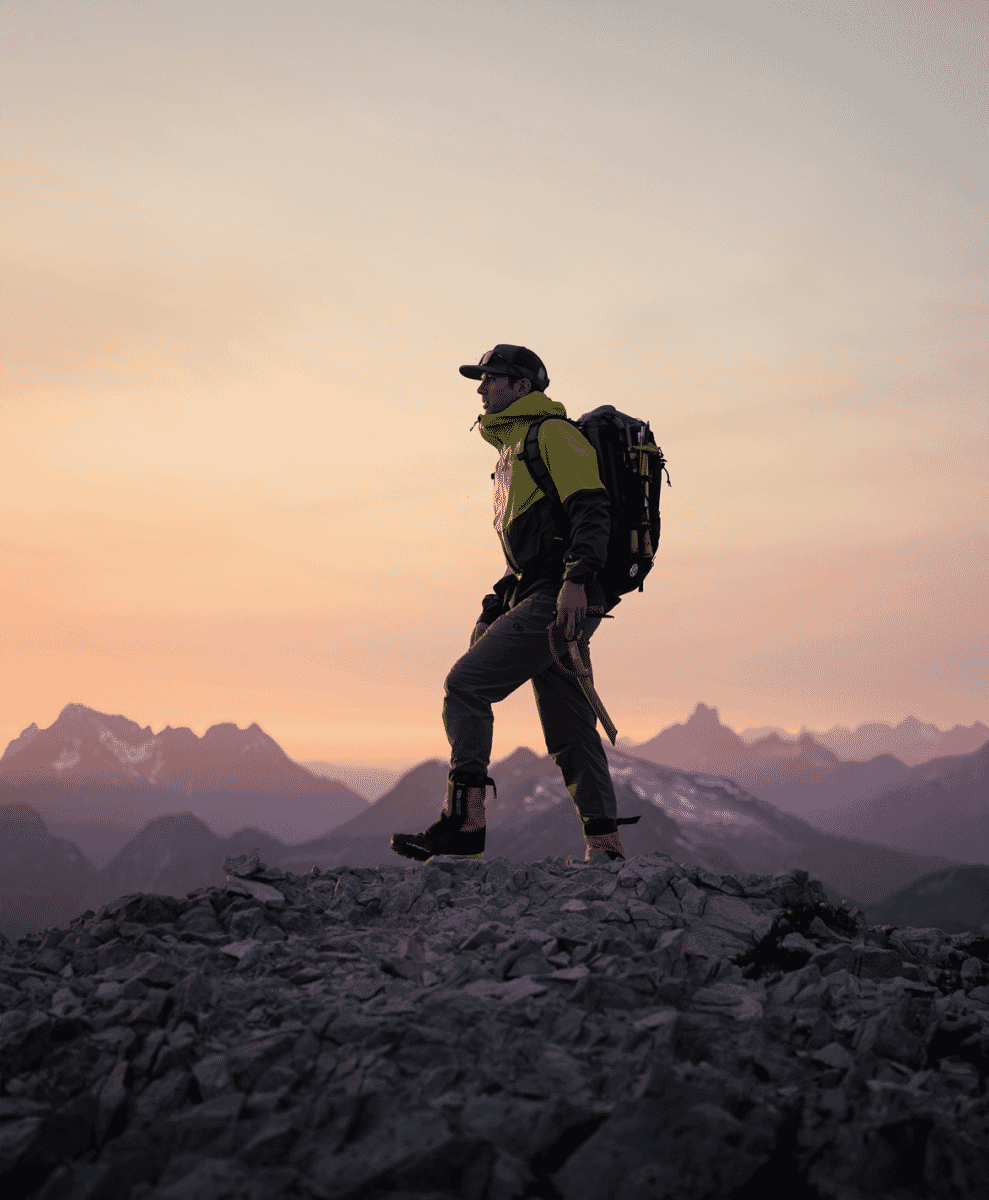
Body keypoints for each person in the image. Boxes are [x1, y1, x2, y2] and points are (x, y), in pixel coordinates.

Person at [390, 344, 629, 865]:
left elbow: (593, 513)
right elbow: (532, 551)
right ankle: (606, 848)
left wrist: (576, 582)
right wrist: (497, 602)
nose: (481, 388)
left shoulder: (553, 437)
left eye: (491, 378)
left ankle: (465, 822)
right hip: (549, 593)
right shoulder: (514, 453)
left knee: (466, 685)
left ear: (521, 387)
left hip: (562, 597)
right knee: (569, 727)